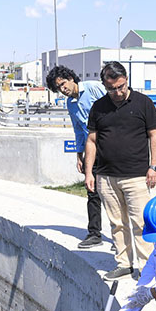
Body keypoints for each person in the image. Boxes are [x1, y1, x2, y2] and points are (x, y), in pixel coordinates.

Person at [84, 61, 156, 280]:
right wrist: (90, 172)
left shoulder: (143, 103)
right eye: (112, 88)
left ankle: (147, 267)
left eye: (121, 86)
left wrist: (153, 167)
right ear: (104, 86)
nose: (117, 92)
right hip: (106, 177)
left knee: (141, 223)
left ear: (126, 80)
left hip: (137, 175)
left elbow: (154, 135)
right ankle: (124, 264)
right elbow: (91, 140)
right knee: (117, 223)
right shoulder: (98, 107)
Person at [46, 65, 107, 249]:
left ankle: (122, 235)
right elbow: (78, 131)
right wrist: (79, 155)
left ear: (71, 78)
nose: (63, 89)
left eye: (63, 84)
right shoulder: (70, 104)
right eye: (59, 88)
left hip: (111, 145)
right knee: (92, 191)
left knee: (115, 192)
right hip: (91, 149)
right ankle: (94, 233)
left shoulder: (94, 88)